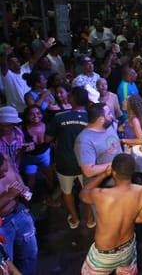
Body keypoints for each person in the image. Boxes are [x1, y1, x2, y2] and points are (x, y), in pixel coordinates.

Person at [79, 153, 142, 275]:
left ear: (114, 172)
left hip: (104, 255)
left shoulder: (101, 195)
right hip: (127, 248)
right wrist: (126, 217)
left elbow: (83, 194)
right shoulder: (141, 191)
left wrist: (103, 175)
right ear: (132, 172)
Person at [45, 86, 95, 229]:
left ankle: (75, 219)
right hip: (86, 163)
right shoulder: (91, 117)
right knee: (89, 190)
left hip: (65, 162)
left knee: (67, 191)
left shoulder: (60, 117)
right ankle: (91, 220)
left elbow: (47, 138)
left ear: (72, 99)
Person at [0, 152, 37, 274]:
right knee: (6, 264)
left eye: (5, 170)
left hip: (19, 213)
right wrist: (8, 195)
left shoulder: (5, 157)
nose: (4, 174)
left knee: (30, 255)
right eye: (0, 174)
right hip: (2, 226)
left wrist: (22, 186)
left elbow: (15, 173)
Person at [0, 38, 55, 114]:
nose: (15, 64)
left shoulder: (25, 69)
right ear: (8, 65)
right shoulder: (7, 74)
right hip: (16, 111)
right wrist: (5, 55)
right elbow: (3, 64)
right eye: (12, 63)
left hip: (31, 107)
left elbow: (35, 58)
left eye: (17, 61)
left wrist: (44, 47)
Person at [74, 102, 122, 187]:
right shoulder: (84, 140)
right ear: (101, 119)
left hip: (119, 180)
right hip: (103, 187)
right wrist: (118, 163)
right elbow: (88, 171)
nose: (111, 116)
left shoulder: (108, 126)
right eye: (109, 114)